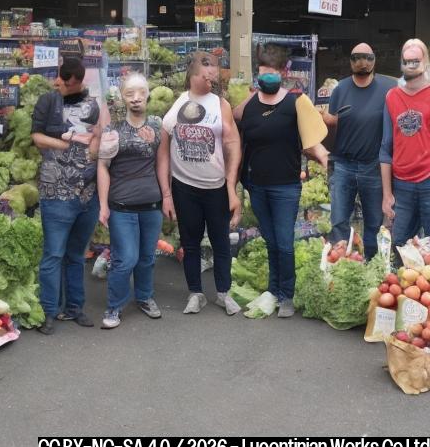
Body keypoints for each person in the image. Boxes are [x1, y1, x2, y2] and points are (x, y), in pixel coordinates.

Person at [236, 43, 328, 318]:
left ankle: (286, 294)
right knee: (271, 241)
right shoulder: (250, 107)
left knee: (285, 242)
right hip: (258, 185)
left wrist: (324, 157)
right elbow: (235, 132)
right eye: (263, 72)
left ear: (283, 73)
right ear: (257, 74)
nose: (268, 77)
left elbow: (312, 140)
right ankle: (273, 290)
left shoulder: (296, 103)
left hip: (286, 186)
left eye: (273, 72)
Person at [160, 51, 242, 315]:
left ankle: (223, 293)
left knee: (220, 243)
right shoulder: (178, 103)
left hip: (215, 187)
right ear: (193, 74)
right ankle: (195, 293)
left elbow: (232, 144)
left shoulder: (221, 105)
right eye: (207, 76)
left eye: (214, 76)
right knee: (190, 242)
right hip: (184, 187)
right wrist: (166, 194)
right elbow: (163, 151)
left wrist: (231, 187)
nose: (212, 80)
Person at [31, 57, 108, 334]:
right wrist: (67, 144)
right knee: (53, 254)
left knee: (76, 254)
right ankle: (49, 310)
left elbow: (98, 134)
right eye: (63, 82)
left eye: (70, 83)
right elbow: (37, 137)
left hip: (86, 194)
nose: (63, 86)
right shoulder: (47, 102)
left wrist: (93, 149)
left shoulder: (92, 104)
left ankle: (75, 307)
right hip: (56, 191)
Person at [97, 73, 170, 330]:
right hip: (121, 206)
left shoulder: (158, 125)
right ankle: (114, 305)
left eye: (140, 92)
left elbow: (162, 162)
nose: (136, 98)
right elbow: (103, 167)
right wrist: (103, 205)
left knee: (146, 258)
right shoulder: (113, 130)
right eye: (130, 94)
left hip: (151, 204)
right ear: (123, 98)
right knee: (124, 259)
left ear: (148, 93)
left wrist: (167, 196)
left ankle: (144, 297)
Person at [322, 44, 394, 260]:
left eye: (367, 57)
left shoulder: (389, 89)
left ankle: (372, 271)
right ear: (350, 61)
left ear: (374, 60)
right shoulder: (340, 90)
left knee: (373, 223)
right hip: (343, 165)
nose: (362, 62)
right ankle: (339, 272)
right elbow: (330, 125)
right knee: (339, 223)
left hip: (373, 166)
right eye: (357, 58)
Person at [380, 39, 430, 253]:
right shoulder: (392, 96)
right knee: (399, 247)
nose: (411, 65)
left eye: (416, 61)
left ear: (425, 62)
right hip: (402, 186)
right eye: (406, 61)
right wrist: (387, 194)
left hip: (428, 180)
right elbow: (385, 147)